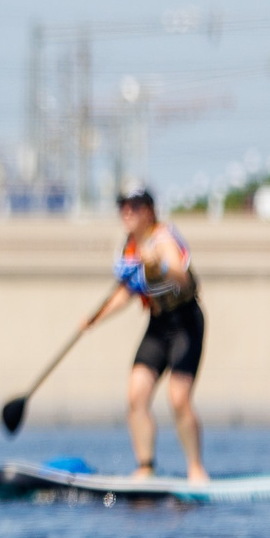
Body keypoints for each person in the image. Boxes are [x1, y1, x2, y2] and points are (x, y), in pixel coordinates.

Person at [82, 186, 207, 480]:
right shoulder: (128, 247)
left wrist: (158, 265)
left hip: (186, 322)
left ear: (149, 210)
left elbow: (180, 274)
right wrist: (94, 319)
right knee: (136, 395)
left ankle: (196, 469)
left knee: (178, 398)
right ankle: (145, 467)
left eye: (135, 206)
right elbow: (125, 292)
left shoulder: (162, 239)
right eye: (123, 206)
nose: (127, 212)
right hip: (158, 323)